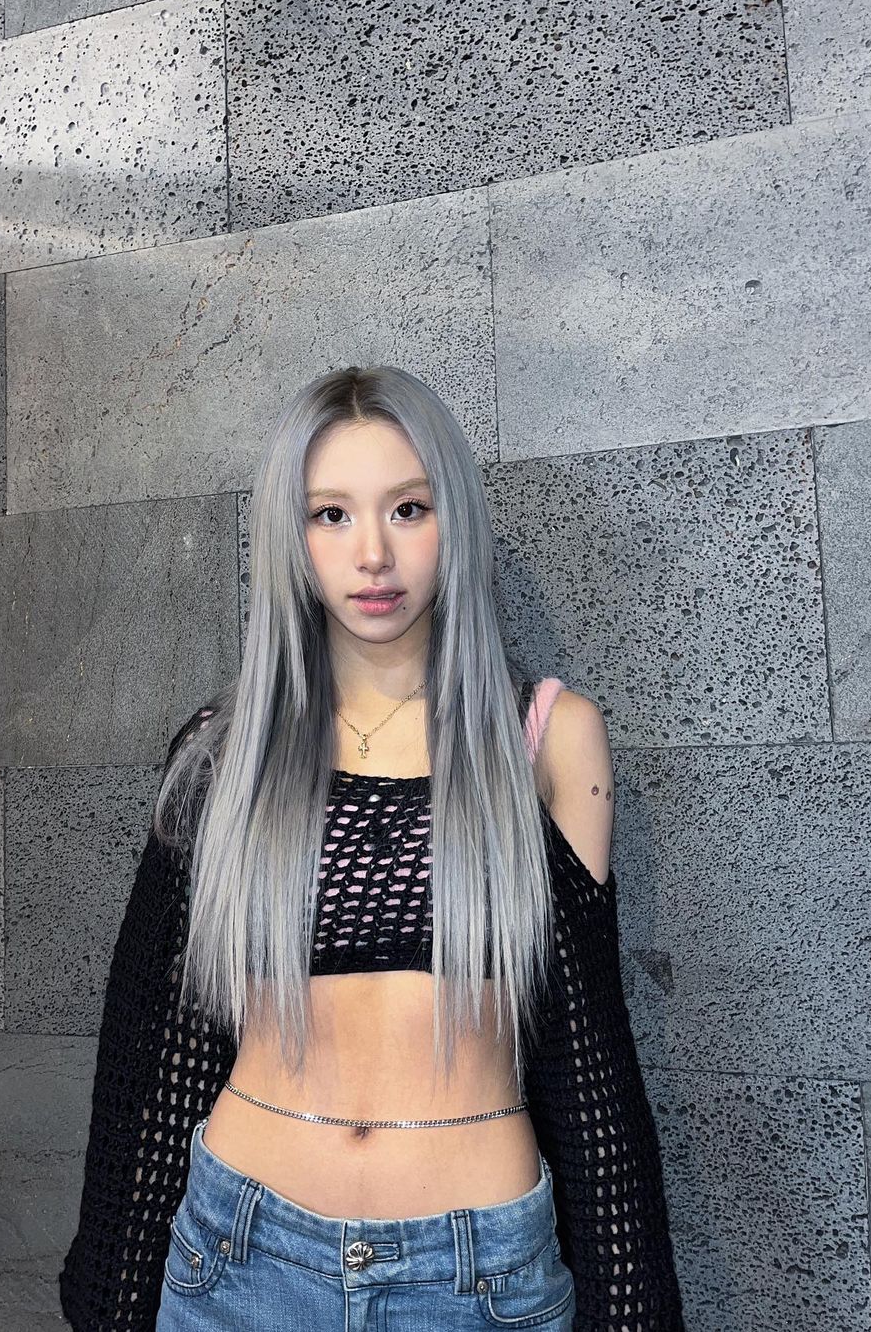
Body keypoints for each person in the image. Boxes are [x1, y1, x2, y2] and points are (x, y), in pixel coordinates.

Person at [58, 365, 684, 1330]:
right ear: (291, 537)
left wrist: (631, 1308)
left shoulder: (547, 739)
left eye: (408, 508)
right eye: (332, 515)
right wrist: (116, 1298)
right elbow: (154, 1050)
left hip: (474, 1279)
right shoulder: (224, 754)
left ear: (453, 519)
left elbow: (586, 1053)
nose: (374, 554)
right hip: (238, 1260)